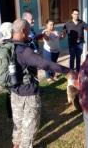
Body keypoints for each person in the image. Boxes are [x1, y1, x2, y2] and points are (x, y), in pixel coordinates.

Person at [10, 19, 73, 148]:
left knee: (18, 122)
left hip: (14, 92)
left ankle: (16, 145)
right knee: (30, 126)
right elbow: (45, 64)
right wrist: (67, 71)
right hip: (28, 93)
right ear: (23, 31)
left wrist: (37, 37)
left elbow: (27, 42)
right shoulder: (24, 51)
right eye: (28, 32)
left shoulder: (8, 46)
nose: (29, 35)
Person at [0, 22, 13, 120]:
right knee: (11, 95)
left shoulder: (3, 43)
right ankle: (11, 114)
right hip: (10, 73)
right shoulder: (9, 45)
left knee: (9, 94)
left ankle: (10, 115)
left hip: (7, 74)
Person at [42, 19, 63, 83]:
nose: (52, 26)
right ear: (47, 25)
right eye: (50, 25)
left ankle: (53, 75)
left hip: (56, 51)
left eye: (53, 25)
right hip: (48, 51)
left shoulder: (56, 31)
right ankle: (48, 77)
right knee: (48, 64)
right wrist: (48, 33)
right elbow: (47, 38)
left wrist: (63, 35)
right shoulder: (44, 32)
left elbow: (59, 39)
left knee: (54, 63)